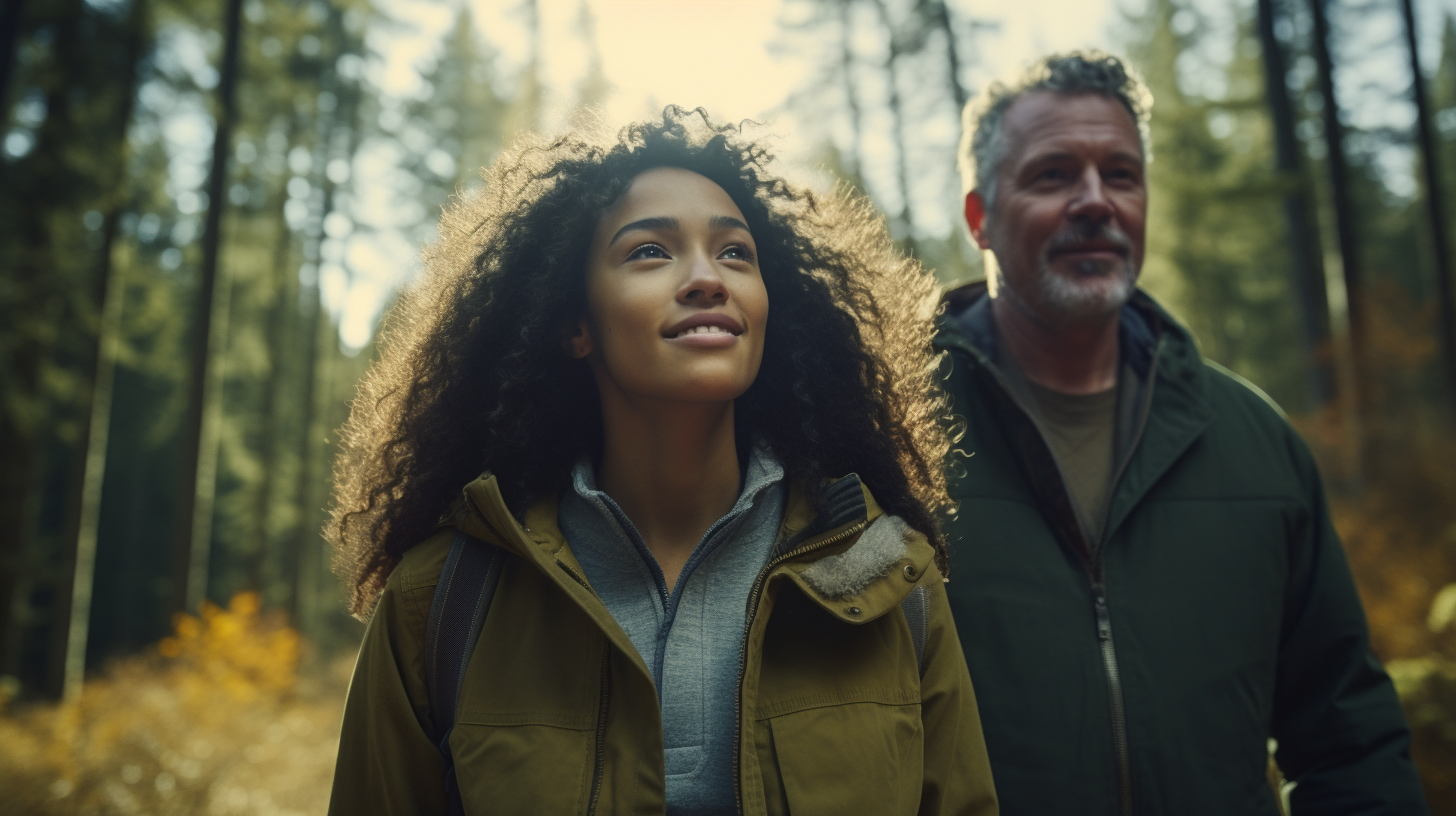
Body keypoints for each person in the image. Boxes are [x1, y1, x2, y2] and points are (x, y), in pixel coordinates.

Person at [325, 107, 998, 816]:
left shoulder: (892, 578)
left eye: (736, 252)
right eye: (650, 251)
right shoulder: (439, 600)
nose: (708, 278)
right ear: (575, 325)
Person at [937, 52, 1428, 815]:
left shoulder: (1255, 441)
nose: (1095, 201)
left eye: (1121, 174)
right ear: (981, 219)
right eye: (1054, 174)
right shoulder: (890, 438)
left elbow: (1348, 740)